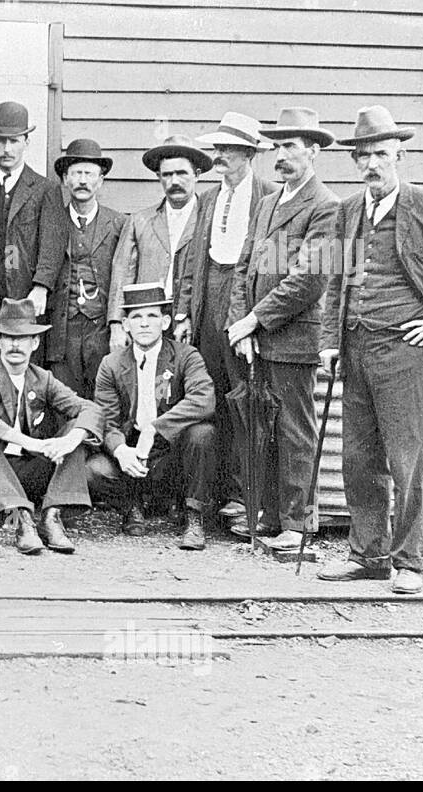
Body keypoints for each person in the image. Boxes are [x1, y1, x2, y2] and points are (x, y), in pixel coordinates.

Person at [317, 106, 423, 594]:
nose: (372, 164)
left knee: (408, 459)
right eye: (363, 156)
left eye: (381, 154)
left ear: (399, 155)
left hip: (405, 354)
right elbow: (337, 281)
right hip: (355, 350)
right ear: (355, 161)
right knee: (358, 459)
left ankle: (409, 562)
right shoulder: (346, 212)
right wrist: (330, 343)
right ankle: (367, 555)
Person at [226, 107, 339, 552]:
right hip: (256, 339)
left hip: (294, 341)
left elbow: (309, 279)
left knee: (295, 429)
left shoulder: (326, 207)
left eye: (291, 146)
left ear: (313, 151)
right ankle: (270, 516)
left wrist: (257, 319)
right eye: (277, 146)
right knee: (261, 428)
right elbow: (242, 268)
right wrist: (242, 325)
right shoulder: (268, 202)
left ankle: (298, 524)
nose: (282, 154)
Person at [182, 112, 278, 524]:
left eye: (228, 149)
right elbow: (192, 263)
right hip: (208, 304)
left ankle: (245, 497)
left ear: (249, 154)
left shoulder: (269, 198)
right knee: (210, 398)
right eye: (217, 148)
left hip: (245, 308)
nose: (218, 156)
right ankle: (209, 496)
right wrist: (185, 313)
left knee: (245, 404)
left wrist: (253, 319)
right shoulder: (206, 199)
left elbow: (273, 266)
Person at [0, 298, 104, 556]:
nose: (15, 344)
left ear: (34, 343)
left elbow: (91, 410)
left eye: (23, 338)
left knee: (77, 429)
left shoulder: (42, 378)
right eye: (8, 337)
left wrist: (69, 441)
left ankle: (52, 516)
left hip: (29, 474)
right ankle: (23, 520)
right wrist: (30, 443)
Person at [87, 283, 217, 550]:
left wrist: (155, 428)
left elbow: (204, 399)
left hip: (170, 450)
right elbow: (107, 419)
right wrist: (121, 450)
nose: (144, 324)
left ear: (166, 321)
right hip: (132, 449)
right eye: (136, 317)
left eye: (152, 316)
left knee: (202, 434)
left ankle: (193, 517)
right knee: (94, 470)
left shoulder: (185, 356)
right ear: (125, 324)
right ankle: (130, 506)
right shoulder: (111, 364)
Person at [0, 101, 64, 360]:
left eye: (14, 141)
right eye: (1, 141)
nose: (7, 149)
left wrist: (41, 287)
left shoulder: (44, 189)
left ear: (26, 141)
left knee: (25, 362)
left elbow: (53, 243)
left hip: (26, 294)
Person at [108, 135, 210, 349]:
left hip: (197, 320)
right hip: (149, 321)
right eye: (167, 174)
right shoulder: (140, 221)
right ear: (158, 177)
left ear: (197, 175)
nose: (174, 181)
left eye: (181, 173)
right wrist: (117, 324)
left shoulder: (209, 218)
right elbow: (123, 273)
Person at [43, 138, 127, 398]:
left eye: (89, 174)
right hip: (61, 329)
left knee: (102, 397)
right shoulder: (51, 220)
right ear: (66, 179)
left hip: (99, 329)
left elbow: (124, 276)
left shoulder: (119, 223)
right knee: (64, 398)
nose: (82, 180)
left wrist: (117, 324)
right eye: (76, 173)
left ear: (100, 180)